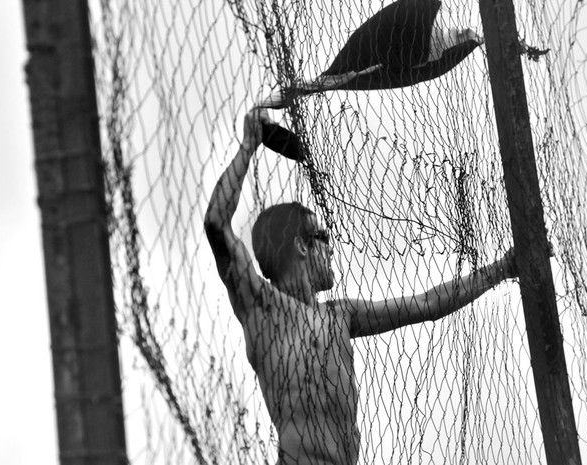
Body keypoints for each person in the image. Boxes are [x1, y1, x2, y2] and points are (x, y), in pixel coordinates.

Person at [204, 109, 518, 465]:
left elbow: (427, 303)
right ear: (302, 246)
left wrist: (502, 268)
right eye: (323, 237)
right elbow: (217, 223)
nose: (332, 246)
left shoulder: (339, 314)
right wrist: (249, 144)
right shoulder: (262, 307)